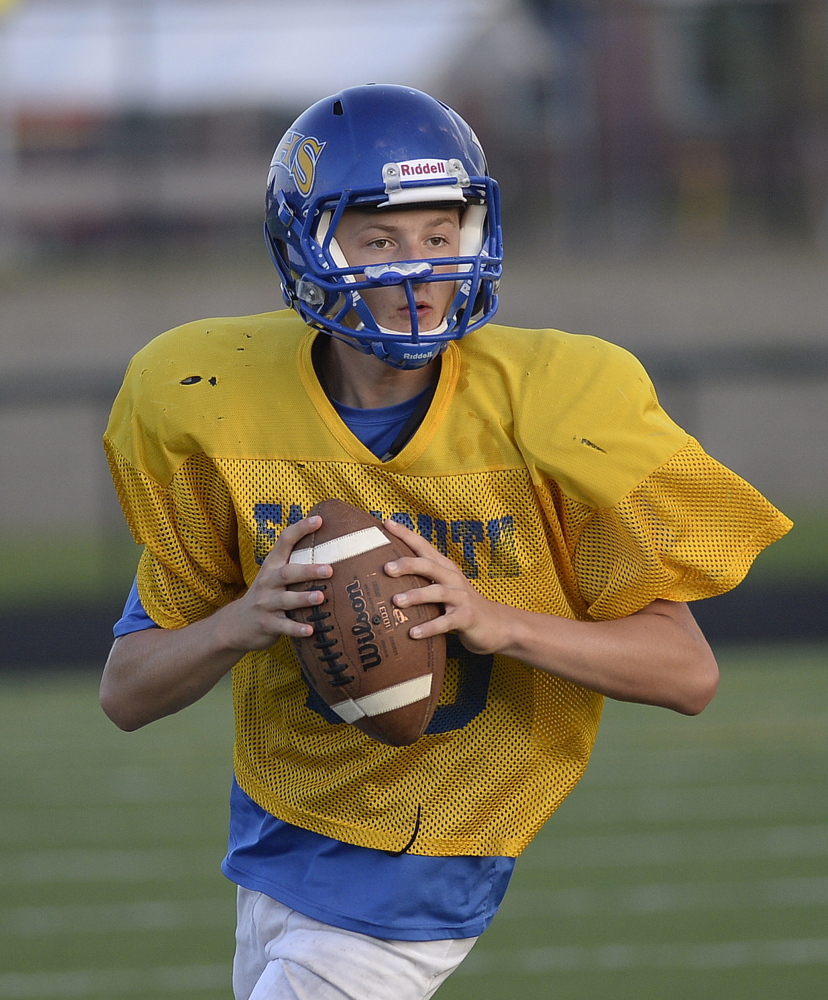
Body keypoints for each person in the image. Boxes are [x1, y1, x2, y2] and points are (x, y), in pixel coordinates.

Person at [100, 84, 792, 1000]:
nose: (417, 269)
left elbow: (687, 673)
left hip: (431, 856)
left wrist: (497, 621)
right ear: (306, 244)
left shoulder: (555, 401)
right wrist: (241, 620)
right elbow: (126, 691)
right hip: (277, 835)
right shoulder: (210, 395)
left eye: (440, 234)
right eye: (378, 239)